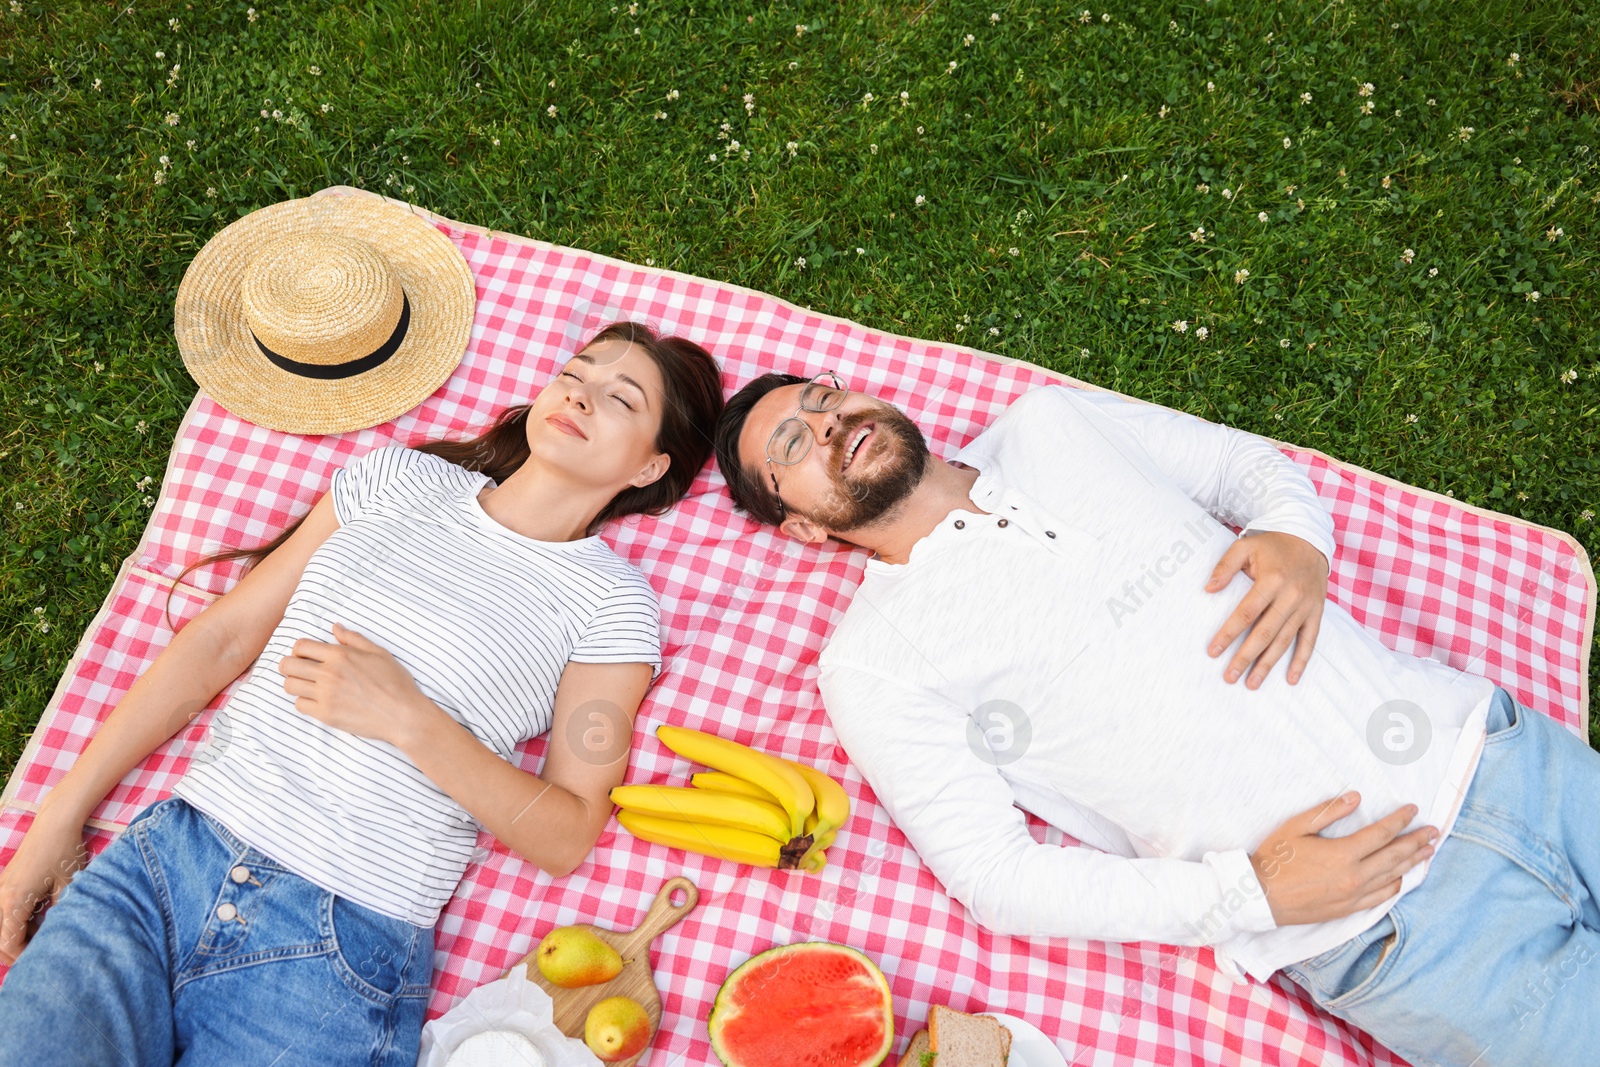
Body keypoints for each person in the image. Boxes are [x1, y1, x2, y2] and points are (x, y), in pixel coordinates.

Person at [713, 370, 1600, 1067]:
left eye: (824, 397)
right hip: (1392, 929)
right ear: (798, 528)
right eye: (795, 440)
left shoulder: (1048, 424)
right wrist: (1247, 894)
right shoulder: (872, 661)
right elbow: (994, 876)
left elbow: (1237, 466)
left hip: (1502, 755)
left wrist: (1297, 534)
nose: (828, 422)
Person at [0, 310, 724, 1065]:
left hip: (339, 942)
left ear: (648, 467)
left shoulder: (611, 602)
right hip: (165, 864)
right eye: (575, 374)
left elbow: (569, 830)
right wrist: (58, 818)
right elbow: (219, 638)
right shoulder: (396, 478)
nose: (578, 395)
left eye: (621, 398)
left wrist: (410, 718)